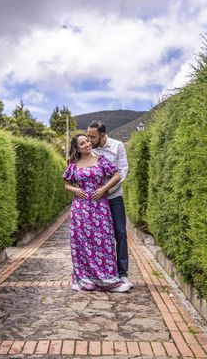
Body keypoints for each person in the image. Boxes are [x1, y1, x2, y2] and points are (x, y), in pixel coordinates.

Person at [63, 133, 131, 292]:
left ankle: (109, 279)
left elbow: (117, 174)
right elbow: (66, 183)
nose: (87, 144)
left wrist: (103, 189)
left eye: (87, 141)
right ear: (77, 148)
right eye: (82, 143)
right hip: (80, 209)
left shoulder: (101, 160)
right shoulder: (74, 165)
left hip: (100, 206)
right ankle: (85, 279)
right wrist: (75, 189)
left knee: (104, 240)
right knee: (83, 242)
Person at [87, 121, 132, 288]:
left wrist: (107, 191)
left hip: (114, 198)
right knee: (98, 236)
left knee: (120, 232)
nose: (89, 140)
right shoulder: (90, 149)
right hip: (96, 201)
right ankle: (102, 273)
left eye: (93, 137)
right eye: (88, 136)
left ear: (103, 135)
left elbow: (123, 172)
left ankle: (123, 273)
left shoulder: (117, 146)